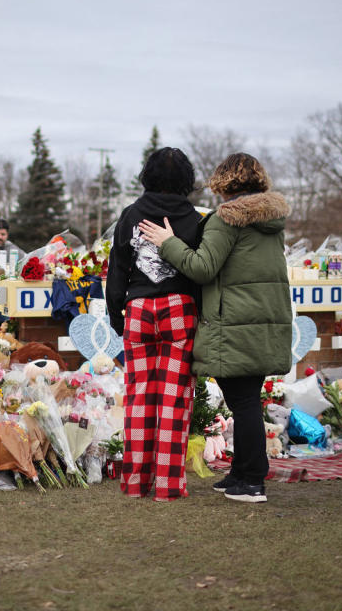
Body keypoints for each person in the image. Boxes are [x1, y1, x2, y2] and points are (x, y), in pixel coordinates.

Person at [139, 153, 292, 504]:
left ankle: (252, 481)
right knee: (247, 398)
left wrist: (167, 242)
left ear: (224, 181)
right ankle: (241, 473)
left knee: (244, 401)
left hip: (235, 322)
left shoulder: (226, 220)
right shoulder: (271, 221)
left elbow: (203, 267)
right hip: (262, 319)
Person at [105, 147, 203, 502]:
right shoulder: (194, 218)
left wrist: (118, 317)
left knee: (139, 398)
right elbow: (199, 271)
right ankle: (167, 486)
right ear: (186, 179)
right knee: (174, 400)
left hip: (138, 308)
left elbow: (116, 272)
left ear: (146, 175)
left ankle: (134, 483)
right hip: (179, 308)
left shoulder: (130, 215)